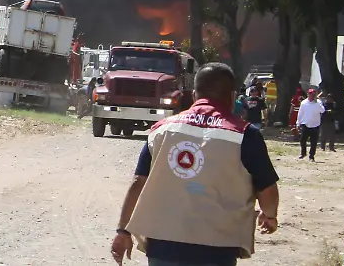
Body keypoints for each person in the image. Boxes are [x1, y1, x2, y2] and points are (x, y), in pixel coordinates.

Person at [111, 62, 279, 266]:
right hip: (217, 249)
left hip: (163, 246)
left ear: (194, 95)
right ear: (232, 97)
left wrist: (122, 230)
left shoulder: (161, 130)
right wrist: (269, 216)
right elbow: (267, 189)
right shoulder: (245, 135)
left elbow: (138, 182)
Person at [296, 88, 324, 161]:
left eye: (313, 94)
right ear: (308, 94)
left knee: (313, 142)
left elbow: (322, 110)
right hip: (305, 124)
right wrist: (298, 123)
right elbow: (300, 113)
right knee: (302, 140)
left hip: (315, 125)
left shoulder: (318, 102)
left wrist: (318, 103)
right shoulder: (304, 103)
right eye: (310, 94)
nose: (312, 96)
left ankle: (311, 156)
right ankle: (303, 153)